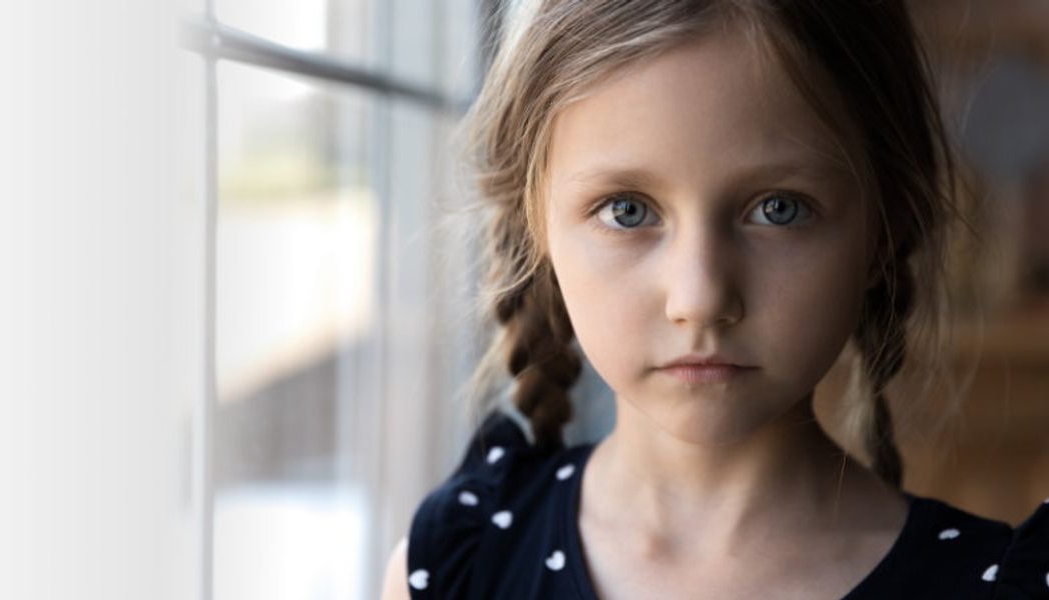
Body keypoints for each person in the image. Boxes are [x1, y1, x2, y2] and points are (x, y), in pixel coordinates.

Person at [382, 1, 1049, 598]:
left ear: (887, 224)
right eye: (626, 210)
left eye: (779, 209)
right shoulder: (455, 568)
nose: (699, 299)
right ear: (537, 222)